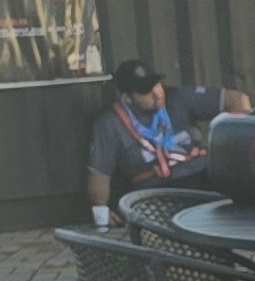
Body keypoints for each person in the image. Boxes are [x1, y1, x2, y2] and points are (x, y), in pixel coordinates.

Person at [85, 59, 200, 222]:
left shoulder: (177, 98)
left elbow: (237, 100)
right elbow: (99, 172)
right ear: (127, 97)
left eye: (157, 84)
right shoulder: (109, 124)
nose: (157, 93)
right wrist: (101, 213)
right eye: (146, 90)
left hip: (202, 174)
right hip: (159, 189)